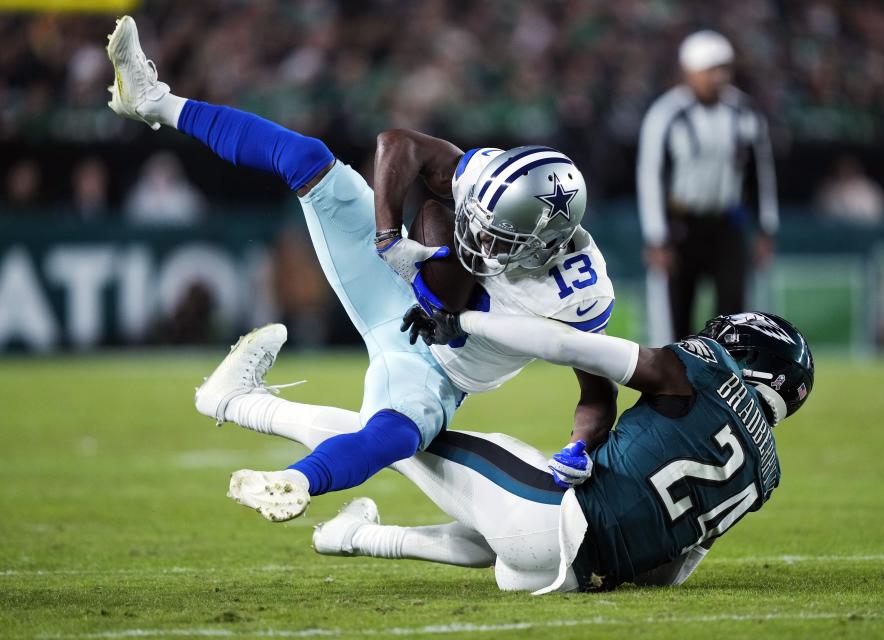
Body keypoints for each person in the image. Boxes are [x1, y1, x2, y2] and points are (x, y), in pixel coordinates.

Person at [105, 16, 618, 518]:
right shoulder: (490, 179)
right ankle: (154, 100)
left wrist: (579, 448)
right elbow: (397, 143)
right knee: (308, 159)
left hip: (436, 363)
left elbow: (597, 394)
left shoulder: (576, 293)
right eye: (481, 218)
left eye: (497, 235)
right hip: (398, 278)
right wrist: (389, 237)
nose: (478, 233)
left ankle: (295, 480)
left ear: (541, 244)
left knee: (393, 434)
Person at [213, 309, 813, 593]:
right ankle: (354, 536)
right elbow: (674, 567)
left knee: (396, 436)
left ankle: (237, 402)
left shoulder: (701, 376)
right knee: (511, 527)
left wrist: (467, 319)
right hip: (577, 574)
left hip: (549, 518)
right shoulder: (767, 475)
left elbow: (560, 342)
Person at [638, 30, 778, 345]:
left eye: (722, 68)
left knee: (735, 317)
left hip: (727, 221)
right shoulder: (667, 114)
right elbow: (650, 177)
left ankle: (729, 385)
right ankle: (677, 388)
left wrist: (766, 228)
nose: (717, 77)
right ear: (689, 71)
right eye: (709, 69)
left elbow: (762, 173)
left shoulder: (745, 111)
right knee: (677, 316)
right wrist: (656, 236)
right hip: (681, 223)